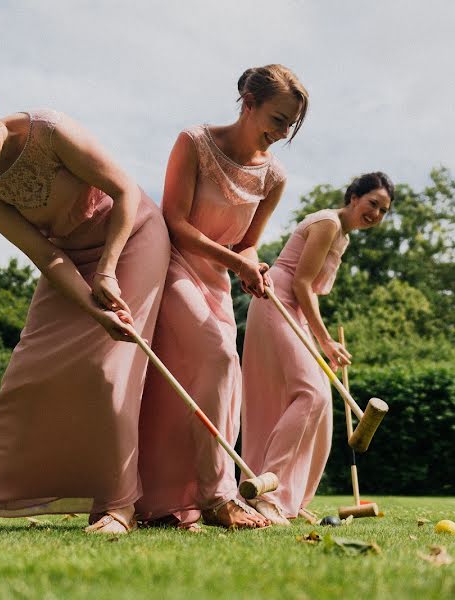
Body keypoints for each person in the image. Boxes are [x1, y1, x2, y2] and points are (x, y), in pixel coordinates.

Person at [0, 78, 170, 535]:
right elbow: (46, 256)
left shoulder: (50, 130)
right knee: (22, 377)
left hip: (132, 237)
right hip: (67, 259)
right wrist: (92, 307)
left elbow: (124, 190)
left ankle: (118, 507)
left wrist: (106, 271)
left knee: (108, 372)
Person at [135, 65, 309, 530]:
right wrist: (238, 263)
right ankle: (217, 497)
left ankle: (174, 500)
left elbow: (249, 242)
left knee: (215, 383)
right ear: (248, 102)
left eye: (289, 125)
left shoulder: (274, 177)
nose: (282, 132)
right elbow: (175, 223)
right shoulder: (194, 142)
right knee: (218, 360)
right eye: (277, 118)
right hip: (171, 268)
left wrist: (254, 267)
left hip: (218, 283)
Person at [240, 172, 394, 525]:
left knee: (321, 408)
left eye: (383, 211)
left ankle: (292, 499)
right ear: (354, 196)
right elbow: (302, 282)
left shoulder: (343, 237)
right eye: (373, 203)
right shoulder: (327, 222)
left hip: (294, 308)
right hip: (275, 299)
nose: (376, 214)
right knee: (313, 395)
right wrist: (324, 340)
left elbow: (308, 291)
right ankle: (267, 493)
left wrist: (321, 338)